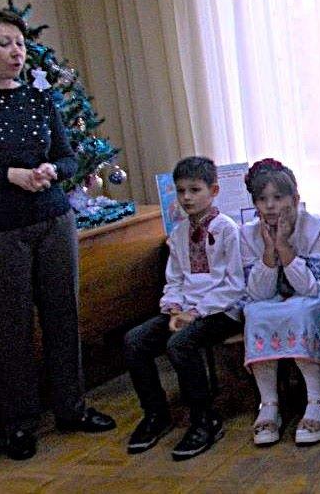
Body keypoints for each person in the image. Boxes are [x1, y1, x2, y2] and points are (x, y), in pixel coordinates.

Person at [0, 8, 115, 461]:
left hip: (53, 221)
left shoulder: (37, 98)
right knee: (8, 326)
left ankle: (72, 408)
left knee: (62, 316)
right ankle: (19, 423)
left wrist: (52, 170)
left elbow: (68, 158)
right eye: (4, 43)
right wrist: (8, 175)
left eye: (20, 43)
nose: (17, 52)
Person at [124, 156, 244, 460]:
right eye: (181, 191)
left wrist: (195, 312)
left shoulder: (228, 229)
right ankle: (156, 413)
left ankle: (205, 419)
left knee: (180, 345)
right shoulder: (178, 235)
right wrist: (173, 308)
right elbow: (175, 279)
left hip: (222, 310)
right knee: (135, 340)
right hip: (184, 311)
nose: (187, 197)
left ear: (214, 191)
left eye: (195, 190)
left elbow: (234, 285)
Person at [240, 158, 320, 447]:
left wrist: (284, 247)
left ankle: (317, 400)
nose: (271, 206)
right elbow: (258, 293)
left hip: (315, 297)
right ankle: (268, 404)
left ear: (295, 198)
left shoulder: (317, 226)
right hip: (272, 299)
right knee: (255, 312)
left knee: (301, 309)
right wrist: (268, 251)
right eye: (263, 199)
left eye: (278, 197)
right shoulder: (247, 233)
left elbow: (311, 288)